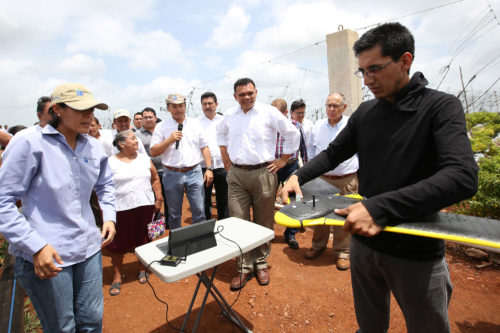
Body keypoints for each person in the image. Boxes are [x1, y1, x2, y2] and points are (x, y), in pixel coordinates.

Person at [281, 22, 478, 333]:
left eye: (375, 69)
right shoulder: (367, 113)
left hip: (415, 249)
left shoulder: (440, 107)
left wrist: (379, 207)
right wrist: (298, 176)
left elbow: (463, 176)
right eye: (363, 72)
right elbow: (334, 153)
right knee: (369, 327)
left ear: (405, 61)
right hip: (366, 243)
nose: (368, 79)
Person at [0, 83, 116, 332]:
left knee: (92, 322)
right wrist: (35, 246)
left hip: (88, 249)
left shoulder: (93, 146)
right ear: (57, 109)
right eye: (81, 109)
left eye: (92, 110)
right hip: (49, 254)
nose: (89, 116)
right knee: (62, 327)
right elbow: (3, 201)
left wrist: (110, 217)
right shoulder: (29, 143)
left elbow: (106, 184)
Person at [217, 78, 300, 290]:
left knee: (264, 220)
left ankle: (261, 263)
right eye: (241, 94)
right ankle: (244, 266)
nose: (246, 97)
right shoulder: (229, 115)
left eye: (250, 93)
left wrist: (283, 160)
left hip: (265, 172)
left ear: (256, 92)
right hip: (237, 175)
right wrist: (225, 157)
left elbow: (292, 133)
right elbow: (220, 134)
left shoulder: (268, 112)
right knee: (238, 220)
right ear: (235, 96)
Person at [303, 92, 359, 271]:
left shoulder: (352, 125)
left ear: (344, 107)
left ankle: (343, 251)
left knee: (343, 216)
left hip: (346, 179)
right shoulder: (318, 125)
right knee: (319, 213)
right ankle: (318, 246)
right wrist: (312, 171)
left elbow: (360, 150)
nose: (331, 109)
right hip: (321, 179)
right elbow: (311, 149)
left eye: (335, 106)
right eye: (328, 105)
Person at [107, 130, 162, 296]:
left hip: (144, 205)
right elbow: (102, 187)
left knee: (144, 238)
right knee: (117, 243)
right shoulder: (110, 162)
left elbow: (155, 178)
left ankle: (142, 266)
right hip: (120, 208)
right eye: (132, 139)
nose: (136, 141)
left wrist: (158, 198)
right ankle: (117, 274)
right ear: (121, 144)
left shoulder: (144, 159)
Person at [150, 94, 213, 230]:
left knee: (199, 210)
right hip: (172, 173)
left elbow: (204, 147)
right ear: (168, 108)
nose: (178, 109)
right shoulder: (161, 127)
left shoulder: (196, 124)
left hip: (194, 172)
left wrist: (209, 168)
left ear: (185, 106)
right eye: (174, 106)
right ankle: (177, 245)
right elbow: (154, 151)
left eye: (180, 106)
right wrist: (169, 140)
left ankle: (199, 241)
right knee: (173, 214)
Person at [271, 98, 308, 249]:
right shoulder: (267, 126)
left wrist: (307, 167)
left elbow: (303, 147)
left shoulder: (296, 126)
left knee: (295, 199)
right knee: (266, 200)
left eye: (277, 113)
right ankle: (266, 232)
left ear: (285, 113)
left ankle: (291, 233)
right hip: (271, 167)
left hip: (291, 167)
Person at [197, 92, 229, 221]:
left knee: (224, 200)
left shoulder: (224, 121)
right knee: (204, 200)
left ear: (216, 104)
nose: (207, 106)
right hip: (203, 167)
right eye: (204, 104)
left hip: (222, 166)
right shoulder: (196, 123)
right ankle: (206, 229)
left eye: (210, 103)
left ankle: (224, 225)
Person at [136, 107, 168, 217]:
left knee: (168, 198)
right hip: (149, 173)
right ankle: (155, 225)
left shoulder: (163, 130)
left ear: (155, 118)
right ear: (142, 119)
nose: (148, 119)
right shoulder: (137, 135)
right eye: (146, 117)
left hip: (166, 170)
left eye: (151, 117)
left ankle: (169, 223)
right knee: (153, 200)